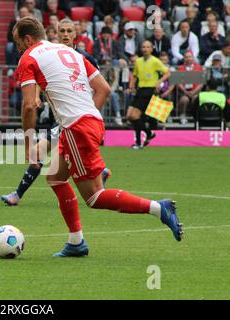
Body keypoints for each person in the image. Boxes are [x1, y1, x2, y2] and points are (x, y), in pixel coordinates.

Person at [13, 16, 183, 257]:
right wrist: (85, 116)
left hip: (77, 128)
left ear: (28, 39)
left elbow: (29, 105)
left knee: (94, 197)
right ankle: (76, 242)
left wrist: (30, 144)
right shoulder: (68, 51)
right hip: (91, 121)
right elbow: (103, 89)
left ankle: (159, 208)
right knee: (55, 177)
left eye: (17, 41)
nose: (17, 47)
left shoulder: (28, 57)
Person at [1, 18, 111, 206]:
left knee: (92, 196)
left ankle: (18, 194)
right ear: (56, 33)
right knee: (55, 175)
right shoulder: (51, 53)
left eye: (69, 31)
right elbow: (37, 79)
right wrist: (36, 95)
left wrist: (87, 114)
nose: (66, 35)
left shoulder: (83, 56)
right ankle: (76, 234)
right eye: (62, 31)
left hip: (76, 119)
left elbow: (100, 88)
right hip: (63, 118)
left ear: (76, 34)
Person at [127, 41, 171, 149]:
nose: (145, 49)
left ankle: (138, 142)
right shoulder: (138, 61)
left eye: (148, 47)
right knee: (129, 116)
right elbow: (135, 75)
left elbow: (167, 72)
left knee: (135, 116)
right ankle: (149, 133)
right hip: (140, 90)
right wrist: (131, 86)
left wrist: (158, 82)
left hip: (149, 90)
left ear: (151, 49)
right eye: (143, 47)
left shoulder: (155, 61)